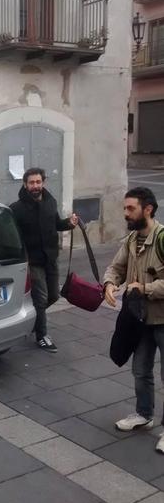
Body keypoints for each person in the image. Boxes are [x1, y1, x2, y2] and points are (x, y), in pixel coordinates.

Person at [104, 187, 164, 453]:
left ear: (147, 209)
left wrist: (145, 288)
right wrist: (109, 283)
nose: (126, 213)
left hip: (162, 319)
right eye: (125, 208)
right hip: (141, 319)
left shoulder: (162, 238)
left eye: (131, 208)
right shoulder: (131, 239)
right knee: (140, 370)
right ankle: (144, 414)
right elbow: (117, 266)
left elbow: (147, 285)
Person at [10, 167, 78, 352]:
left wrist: (69, 224)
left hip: (50, 258)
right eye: (31, 182)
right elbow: (12, 235)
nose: (35, 186)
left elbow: (56, 224)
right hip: (32, 261)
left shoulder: (50, 202)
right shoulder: (16, 209)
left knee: (54, 295)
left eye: (38, 182)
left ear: (43, 183)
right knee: (40, 299)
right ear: (25, 185)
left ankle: (31, 319)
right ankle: (42, 336)